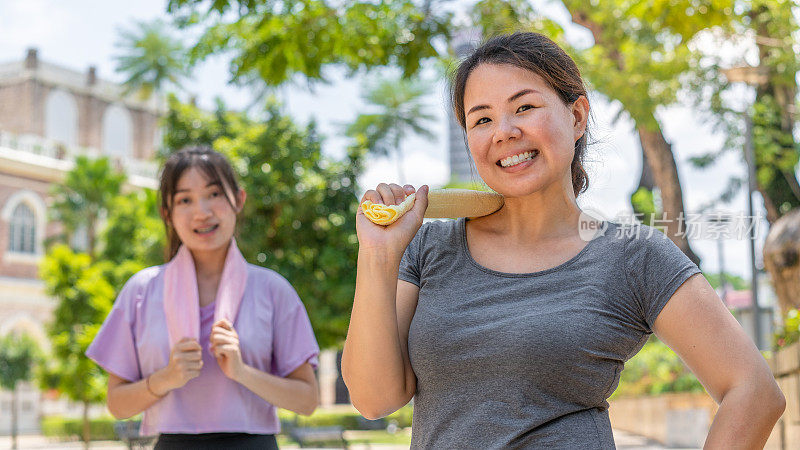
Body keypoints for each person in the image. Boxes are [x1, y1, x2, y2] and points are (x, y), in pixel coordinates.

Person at [341, 32, 785, 449]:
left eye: (525, 107)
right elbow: (374, 399)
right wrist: (379, 255)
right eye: (482, 119)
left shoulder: (632, 256)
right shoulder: (428, 248)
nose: (504, 131)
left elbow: (754, 391)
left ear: (576, 117)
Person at [86, 146, 320, 449]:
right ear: (167, 214)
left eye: (214, 194)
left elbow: (308, 400)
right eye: (185, 199)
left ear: (238, 199)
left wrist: (242, 372)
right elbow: (117, 404)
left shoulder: (273, 290)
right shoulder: (142, 290)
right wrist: (166, 378)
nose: (202, 211)